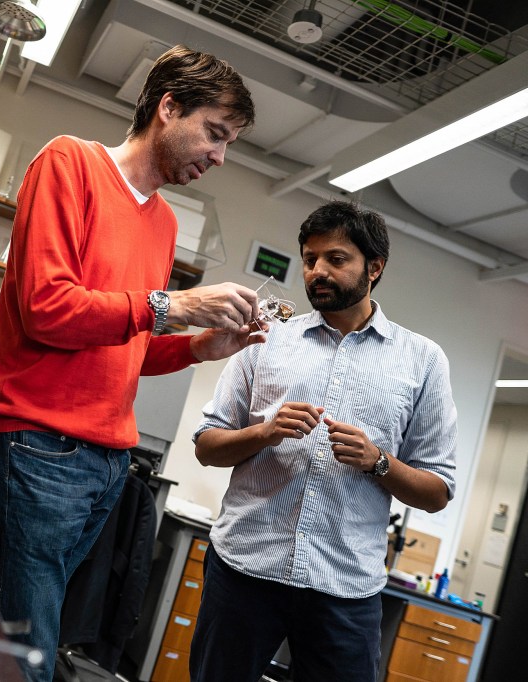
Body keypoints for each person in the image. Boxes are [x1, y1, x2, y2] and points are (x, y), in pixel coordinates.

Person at [0, 45, 263, 682]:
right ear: (168, 106)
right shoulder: (69, 163)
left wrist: (197, 345)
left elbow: (124, 345)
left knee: (17, 638)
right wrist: (170, 304)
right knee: (30, 656)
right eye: (214, 134)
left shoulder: (160, 223)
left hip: (104, 463)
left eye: (229, 143)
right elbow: (48, 308)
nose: (218, 157)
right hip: (36, 448)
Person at [190, 201, 458, 682]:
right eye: (310, 259)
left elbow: (437, 491)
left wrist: (379, 462)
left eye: (336, 259)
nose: (317, 272)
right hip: (245, 571)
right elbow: (207, 445)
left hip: (346, 589)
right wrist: (264, 432)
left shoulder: (423, 361)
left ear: (374, 268)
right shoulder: (264, 340)